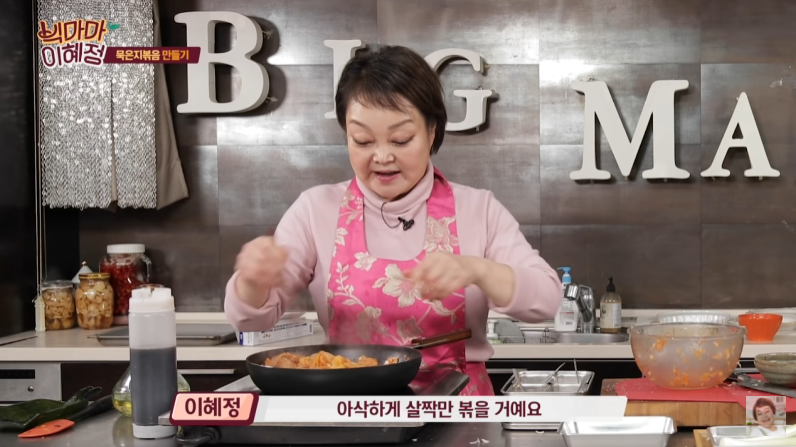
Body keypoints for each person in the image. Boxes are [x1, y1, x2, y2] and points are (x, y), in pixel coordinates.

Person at [224, 45, 562, 396]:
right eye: (363, 140)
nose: (382, 156)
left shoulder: (478, 209)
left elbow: (546, 299)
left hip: (458, 410)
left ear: (432, 131)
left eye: (401, 140)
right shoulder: (315, 210)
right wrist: (253, 281)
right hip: (350, 409)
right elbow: (251, 320)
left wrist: (479, 270)